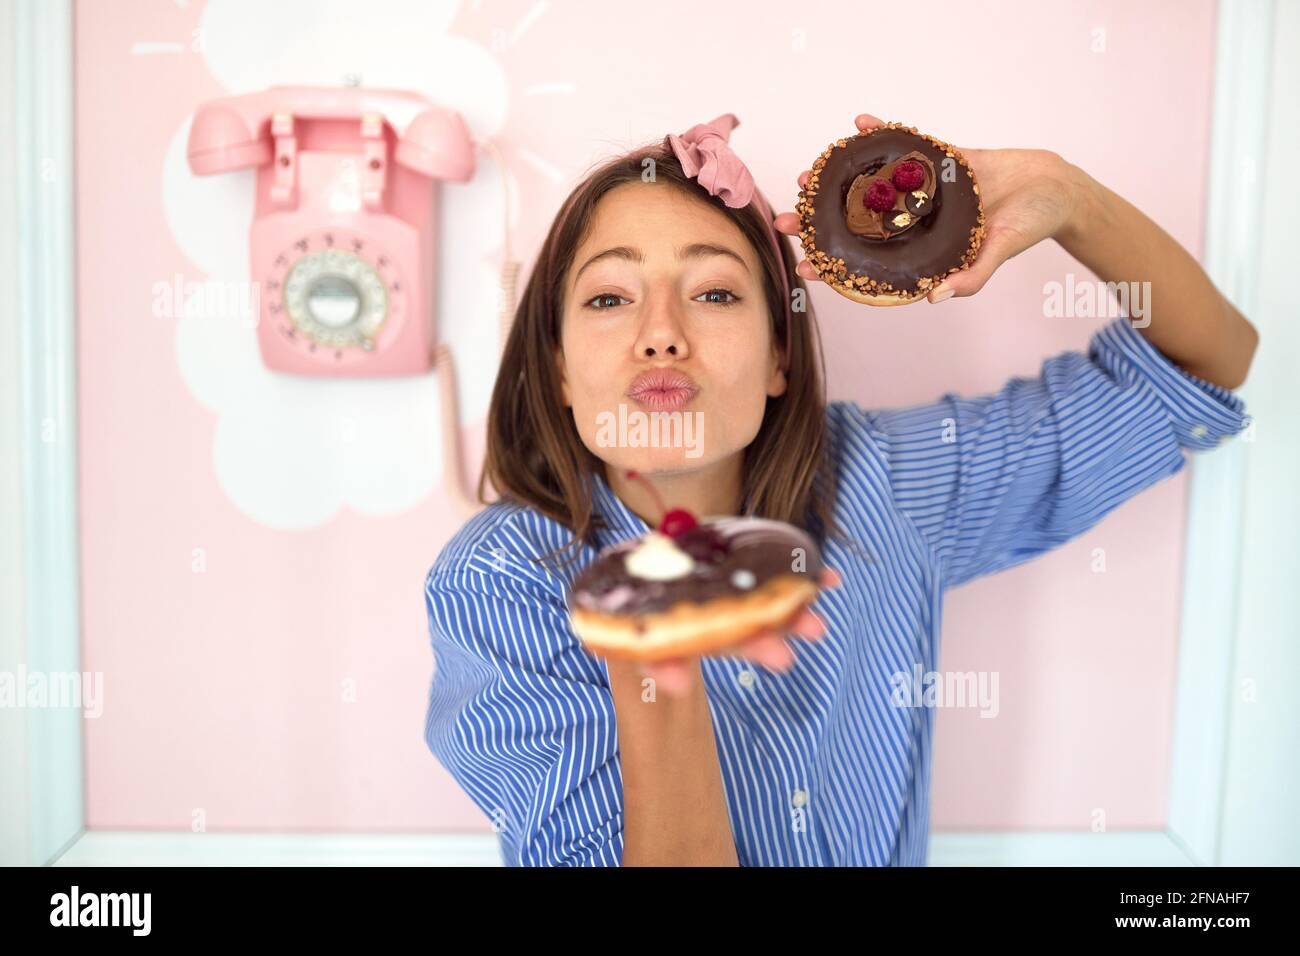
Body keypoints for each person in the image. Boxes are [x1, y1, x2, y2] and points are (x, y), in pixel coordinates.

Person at [422, 112, 1258, 866]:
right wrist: (655, 671)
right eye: (610, 297)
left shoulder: (884, 485)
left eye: (714, 292)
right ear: (559, 366)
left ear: (781, 356)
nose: (662, 336)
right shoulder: (498, 585)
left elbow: (1201, 368)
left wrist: (1065, 193)